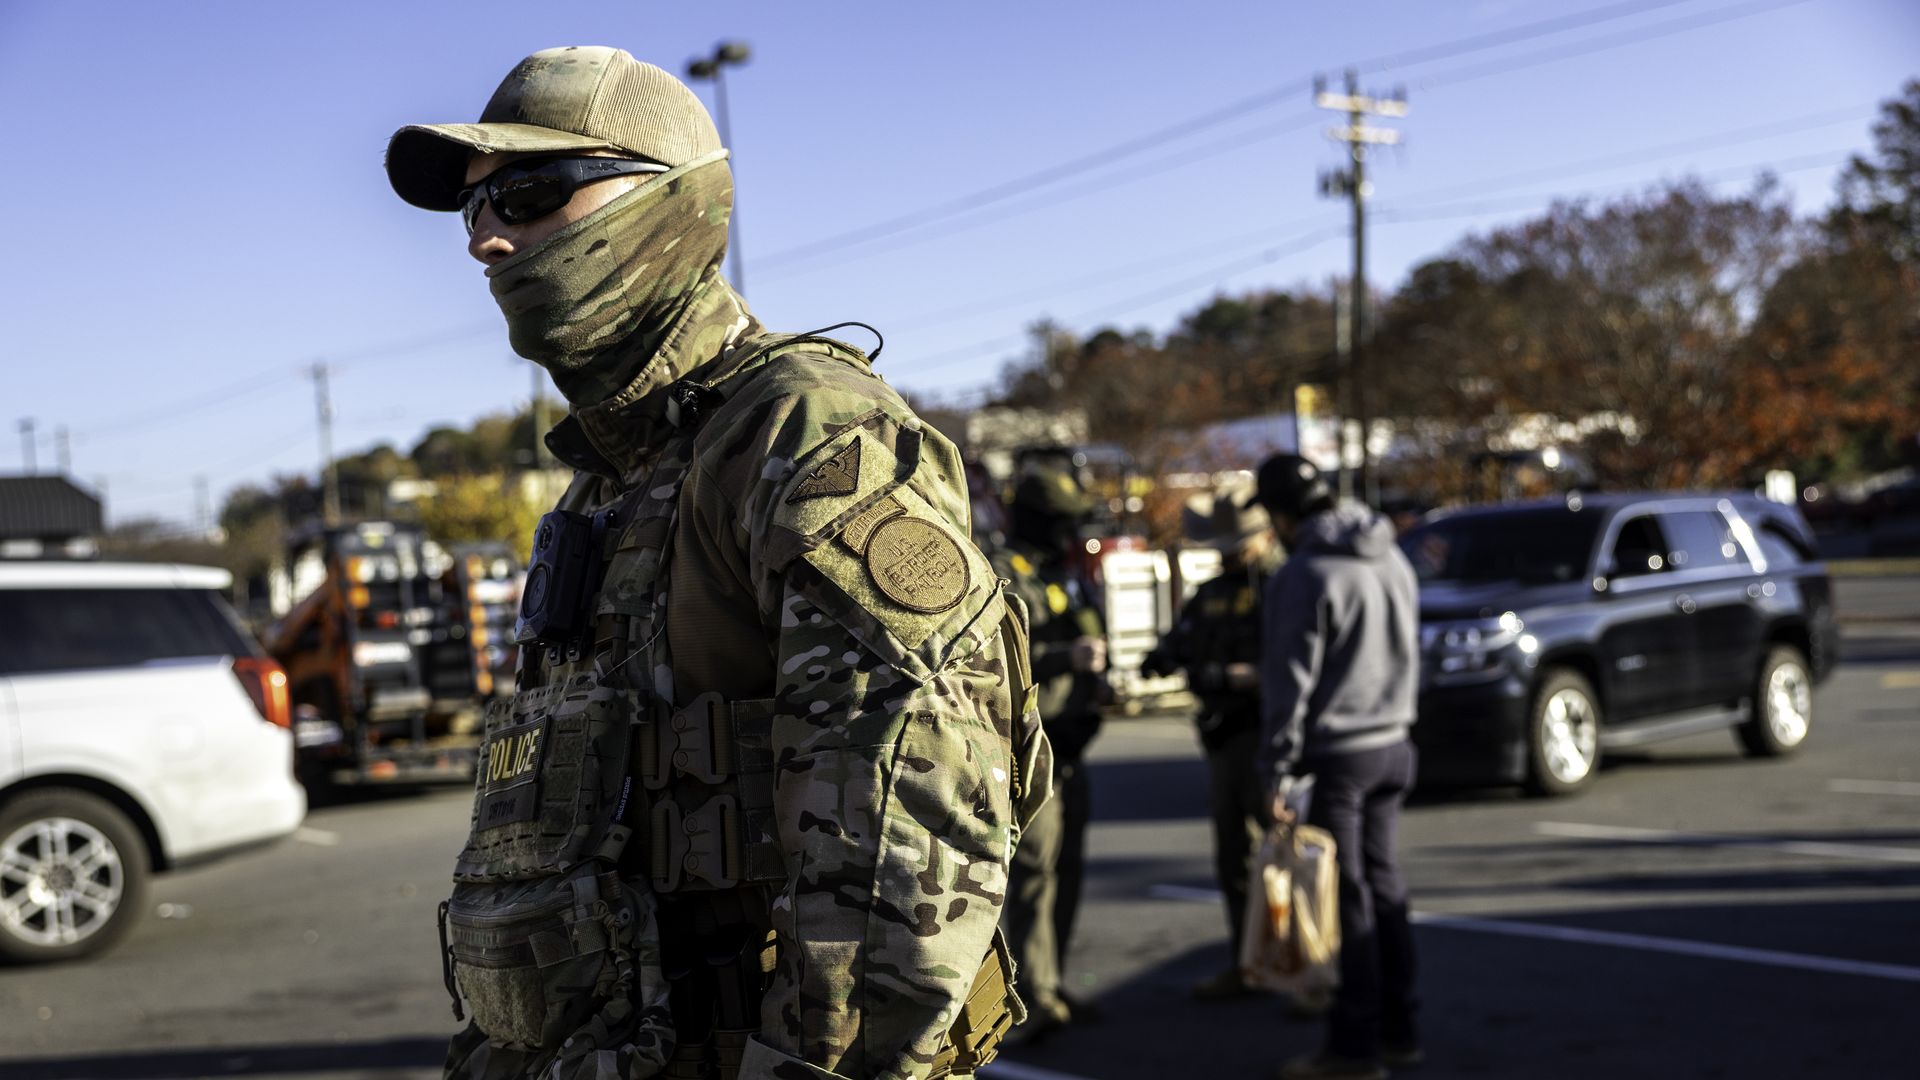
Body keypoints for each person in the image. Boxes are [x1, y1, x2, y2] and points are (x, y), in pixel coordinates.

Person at [387, 47, 1049, 1080]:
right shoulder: (610, 480)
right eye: (472, 214)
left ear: (668, 200)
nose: (490, 241)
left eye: (525, 191)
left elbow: (914, 851)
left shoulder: (804, 434)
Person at [1251, 454, 1421, 1080]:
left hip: (1339, 754)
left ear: (1283, 515)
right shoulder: (1392, 555)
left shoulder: (1305, 573)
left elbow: (1288, 684)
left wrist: (1276, 768)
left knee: (1346, 902)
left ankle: (1355, 1049)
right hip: (1395, 743)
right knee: (1385, 888)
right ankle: (1401, 1030)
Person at [1139, 481, 1283, 1000]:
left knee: (1287, 856)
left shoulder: (1279, 585)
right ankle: (1249, 962)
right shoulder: (1215, 590)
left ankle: (1303, 965)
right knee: (1234, 858)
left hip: (1266, 734)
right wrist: (1158, 660)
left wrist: (1238, 676)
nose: (1230, 552)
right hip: (1224, 737)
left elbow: (1283, 666)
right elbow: (1180, 643)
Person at [987, 464, 1109, 1042]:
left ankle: (1052, 979)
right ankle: (1032, 994)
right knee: (1035, 872)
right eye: (1060, 525)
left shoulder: (1064, 572)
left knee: (1067, 870)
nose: (1069, 536)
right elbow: (1002, 660)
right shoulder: (1004, 571)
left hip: (1074, 740)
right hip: (1035, 745)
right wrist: (1069, 659)